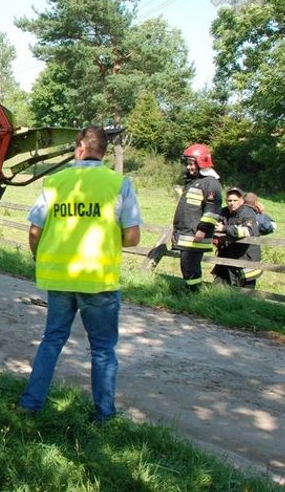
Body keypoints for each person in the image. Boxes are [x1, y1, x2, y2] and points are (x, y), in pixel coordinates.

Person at [18, 126, 142, 423]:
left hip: (59, 280)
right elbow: (133, 237)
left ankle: (30, 405)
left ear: (79, 147)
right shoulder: (118, 183)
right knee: (102, 350)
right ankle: (103, 416)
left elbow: (35, 231)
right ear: (103, 151)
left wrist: (40, 257)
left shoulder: (54, 181)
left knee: (52, 340)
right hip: (99, 280)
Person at [171, 144, 222, 292]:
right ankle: (191, 290)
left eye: (192, 164)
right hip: (188, 234)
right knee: (187, 265)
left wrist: (202, 230)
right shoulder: (195, 181)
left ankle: (193, 293)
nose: (189, 167)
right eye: (188, 164)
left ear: (202, 162)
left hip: (195, 235)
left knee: (190, 265)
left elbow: (212, 210)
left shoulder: (211, 183)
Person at [213, 187, 262, 288]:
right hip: (228, 257)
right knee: (218, 288)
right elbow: (215, 224)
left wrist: (225, 228)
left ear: (242, 201)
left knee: (245, 294)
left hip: (246, 259)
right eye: (229, 200)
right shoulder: (224, 212)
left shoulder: (248, 213)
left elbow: (246, 231)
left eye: (235, 200)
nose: (232, 203)